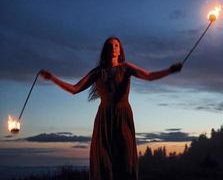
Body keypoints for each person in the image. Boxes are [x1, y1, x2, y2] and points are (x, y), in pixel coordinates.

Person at [40, 37, 182, 180]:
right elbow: (74, 89)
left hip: (123, 118)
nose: (114, 47)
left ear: (120, 50)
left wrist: (170, 70)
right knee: (104, 163)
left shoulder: (126, 68)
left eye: (116, 45)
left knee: (125, 161)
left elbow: (149, 76)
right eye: (110, 45)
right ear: (105, 50)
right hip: (104, 120)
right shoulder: (97, 72)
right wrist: (53, 78)